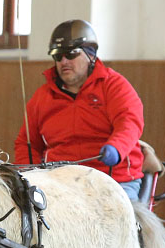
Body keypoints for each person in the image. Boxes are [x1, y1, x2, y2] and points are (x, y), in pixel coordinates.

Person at [14, 19, 145, 201]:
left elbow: (129, 123)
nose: (64, 61)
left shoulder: (114, 85)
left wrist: (116, 148)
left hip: (113, 180)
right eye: (58, 56)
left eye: (71, 54)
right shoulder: (41, 98)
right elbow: (26, 143)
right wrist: (29, 174)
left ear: (91, 55)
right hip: (59, 182)